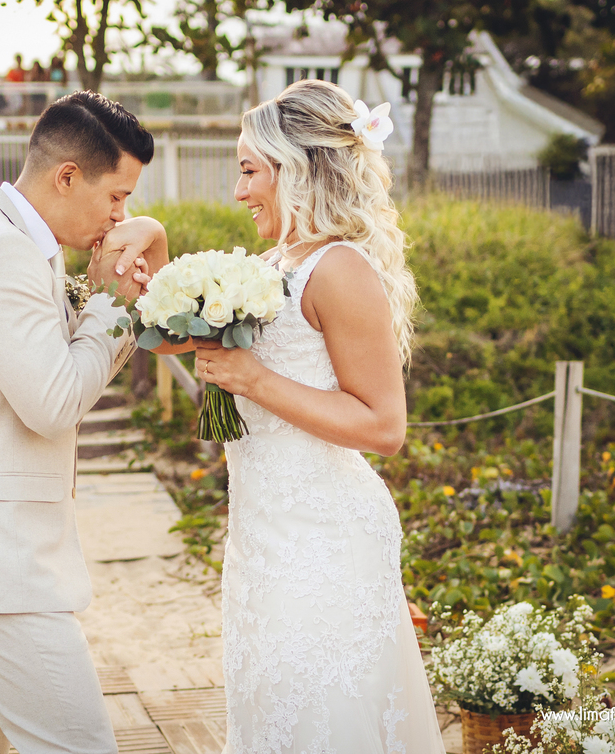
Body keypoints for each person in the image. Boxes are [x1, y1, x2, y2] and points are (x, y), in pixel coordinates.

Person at [159, 80, 444, 752]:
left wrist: (251, 379)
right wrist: (141, 260)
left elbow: (385, 426)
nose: (238, 190)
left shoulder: (339, 269)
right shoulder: (265, 268)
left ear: (299, 170)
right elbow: (174, 332)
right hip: (260, 543)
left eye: (249, 170)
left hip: (324, 542)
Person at [0, 90, 169, 754]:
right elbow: (52, 402)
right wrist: (111, 306)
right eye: (116, 197)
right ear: (67, 176)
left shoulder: (12, 242)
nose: (120, 215)